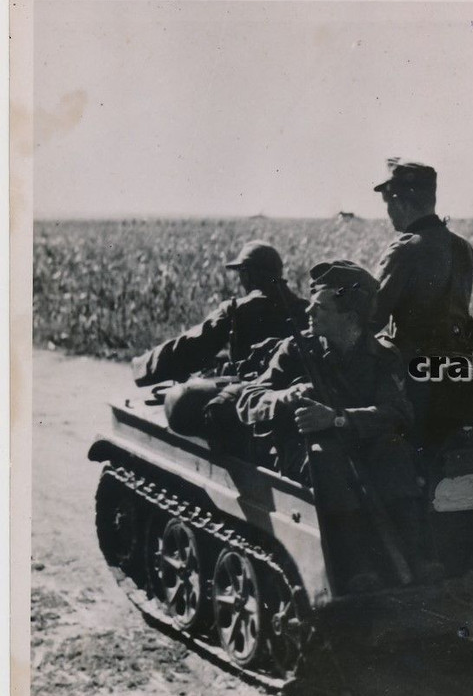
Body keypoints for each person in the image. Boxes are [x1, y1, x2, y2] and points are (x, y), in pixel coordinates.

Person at [236, 260, 434, 590]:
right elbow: (248, 402)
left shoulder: (382, 355)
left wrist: (339, 418)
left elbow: (398, 413)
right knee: (327, 453)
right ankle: (356, 565)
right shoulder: (296, 350)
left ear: (350, 318)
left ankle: (415, 558)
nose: (309, 315)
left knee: (394, 449)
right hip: (305, 454)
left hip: (364, 445)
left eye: (321, 309)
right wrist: (288, 396)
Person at [371, 158, 473, 441]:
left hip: (415, 376)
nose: (388, 213)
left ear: (399, 200)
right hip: (459, 370)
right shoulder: (463, 248)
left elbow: (372, 317)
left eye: (387, 203)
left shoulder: (405, 250)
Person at [131, 240, 308, 387]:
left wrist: (142, 366)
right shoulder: (305, 308)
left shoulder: (237, 310)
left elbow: (190, 348)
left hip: (252, 393)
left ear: (247, 275)